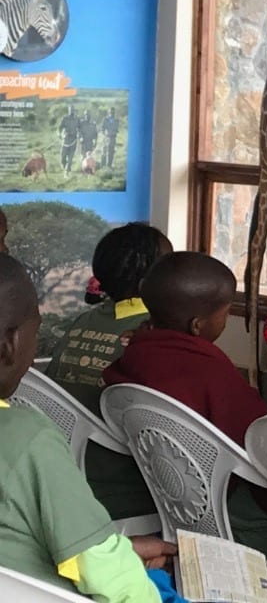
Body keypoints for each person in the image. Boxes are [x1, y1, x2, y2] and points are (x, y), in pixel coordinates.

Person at [102, 252, 267, 561]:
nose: (224, 321)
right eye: (224, 314)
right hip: (236, 519)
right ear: (197, 325)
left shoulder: (138, 352)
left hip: (174, 498)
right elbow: (260, 443)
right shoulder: (209, 371)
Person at [0, 253, 178, 600]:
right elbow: (106, 577)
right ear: (10, 346)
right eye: (35, 331)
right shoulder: (25, 439)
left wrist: (117, 546)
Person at [47, 223, 172, 521]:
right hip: (122, 490)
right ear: (150, 280)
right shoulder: (155, 332)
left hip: (66, 474)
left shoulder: (84, 321)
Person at [59, 104, 78, 174]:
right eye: (70, 110)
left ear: (74, 110)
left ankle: (68, 169)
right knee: (63, 157)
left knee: (70, 156)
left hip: (73, 140)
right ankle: (65, 167)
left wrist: (79, 134)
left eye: (73, 110)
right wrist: (60, 134)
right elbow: (60, 127)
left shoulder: (77, 119)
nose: (71, 111)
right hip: (65, 140)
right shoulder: (65, 118)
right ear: (68, 110)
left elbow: (80, 127)